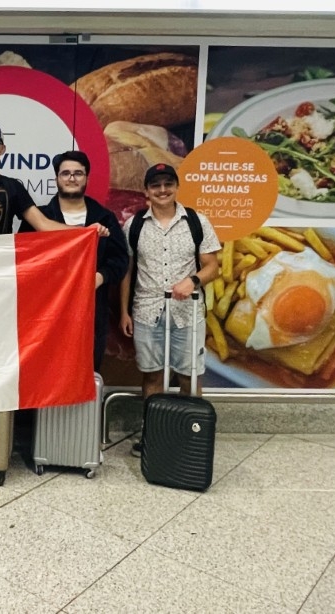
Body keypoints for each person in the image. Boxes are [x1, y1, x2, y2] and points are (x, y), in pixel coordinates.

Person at [119, 163, 221, 457]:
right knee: (152, 376)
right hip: (146, 311)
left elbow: (213, 266)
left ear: (176, 187)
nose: (162, 190)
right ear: (146, 191)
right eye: (156, 185)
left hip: (187, 313)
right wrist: (124, 311)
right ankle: (152, 435)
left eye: (168, 184)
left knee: (189, 376)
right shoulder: (134, 225)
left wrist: (193, 281)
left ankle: (189, 437)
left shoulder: (197, 222)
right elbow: (127, 271)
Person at [19, 151, 128, 371]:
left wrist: (99, 277)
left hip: (90, 312)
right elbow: (23, 259)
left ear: (86, 178)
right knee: (45, 371)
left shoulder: (105, 218)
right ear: (56, 178)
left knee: (86, 371)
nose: (72, 178)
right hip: (47, 312)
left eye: (78, 173)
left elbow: (120, 260)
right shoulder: (39, 219)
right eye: (66, 173)